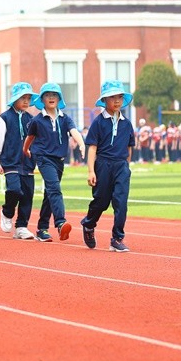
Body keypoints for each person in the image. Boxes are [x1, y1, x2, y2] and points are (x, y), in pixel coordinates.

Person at [23, 82, 85, 242]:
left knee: (49, 193)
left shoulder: (65, 118)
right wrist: (25, 150)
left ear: (59, 98)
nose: (51, 98)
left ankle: (42, 229)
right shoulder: (37, 120)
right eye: (47, 95)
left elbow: (73, 131)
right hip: (43, 158)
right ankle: (60, 222)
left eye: (54, 95)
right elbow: (30, 137)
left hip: (59, 160)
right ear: (42, 99)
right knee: (55, 189)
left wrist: (82, 143)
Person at [80, 80, 135, 253]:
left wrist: (126, 167)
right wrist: (91, 171)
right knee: (101, 202)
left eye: (119, 97)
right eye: (112, 97)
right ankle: (89, 224)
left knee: (121, 202)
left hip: (121, 166)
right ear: (104, 100)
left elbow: (129, 147)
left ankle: (117, 238)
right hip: (103, 165)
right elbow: (92, 147)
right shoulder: (98, 122)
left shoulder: (127, 123)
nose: (117, 100)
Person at [0, 82, 38, 239]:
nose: (26, 101)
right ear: (15, 98)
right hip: (11, 162)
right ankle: (7, 211)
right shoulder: (4, 118)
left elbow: (36, 141)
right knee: (15, 190)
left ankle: (21, 227)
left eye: (28, 98)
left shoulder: (32, 119)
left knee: (27, 195)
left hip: (28, 163)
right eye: (23, 97)